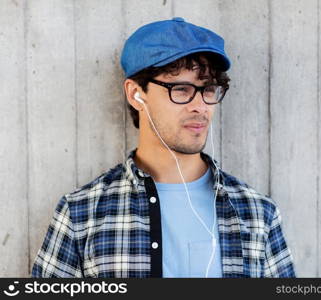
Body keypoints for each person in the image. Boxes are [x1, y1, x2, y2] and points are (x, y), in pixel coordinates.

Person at [31, 17, 295, 278]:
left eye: (209, 89)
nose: (200, 106)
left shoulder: (257, 213)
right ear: (136, 94)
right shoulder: (81, 214)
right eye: (181, 89)